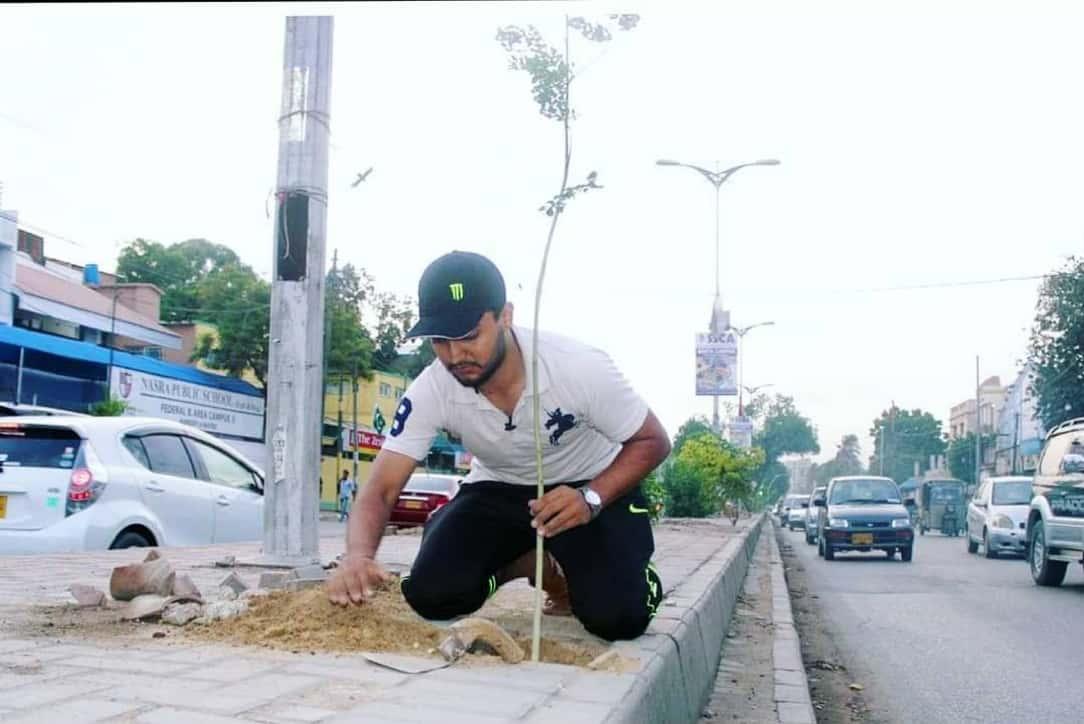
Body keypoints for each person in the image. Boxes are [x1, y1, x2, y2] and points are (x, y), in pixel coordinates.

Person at [327, 250, 671, 641]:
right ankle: (528, 563)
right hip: (498, 487)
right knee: (432, 595)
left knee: (619, 618)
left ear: (505, 316)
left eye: (470, 336)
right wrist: (357, 555)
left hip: (587, 488)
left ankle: (601, 571)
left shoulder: (578, 366)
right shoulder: (433, 386)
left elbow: (653, 440)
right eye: (440, 340)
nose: (455, 356)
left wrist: (590, 499)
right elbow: (382, 487)